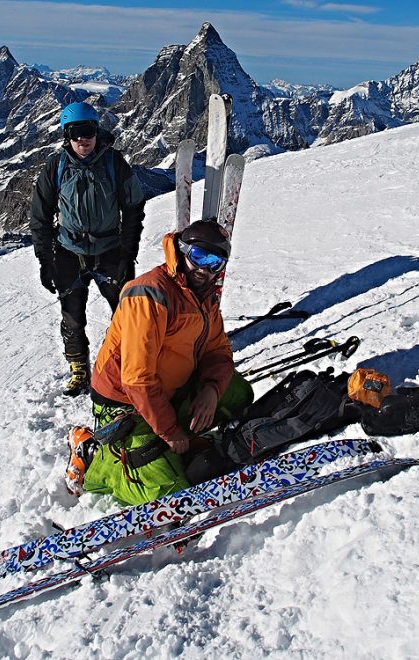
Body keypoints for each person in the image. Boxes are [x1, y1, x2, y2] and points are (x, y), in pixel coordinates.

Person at [65, 220, 254, 505]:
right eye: (200, 257)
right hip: (126, 405)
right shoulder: (149, 294)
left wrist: (211, 391)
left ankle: (174, 435)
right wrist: (170, 431)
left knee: (237, 394)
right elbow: (136, 380)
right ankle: (93, 457)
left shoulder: (205, 299)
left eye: (216, 262)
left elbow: (218, 352)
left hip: (169, 391)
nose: (206, 269)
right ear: (181, 251)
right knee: (170, 491)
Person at [30, 101, 146, 395]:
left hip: (110, 249)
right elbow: (40, 216)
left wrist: (127, 254)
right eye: (77, 132)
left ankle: (123, 365)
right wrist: (46, 260)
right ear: (66, 135)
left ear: (97, 131)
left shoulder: (114, 162)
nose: (84, 138)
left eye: (89, 130)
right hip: (69, 251)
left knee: (125, 313)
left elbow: (133, 208)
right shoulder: (55, 167)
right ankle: (79, 368)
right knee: (72, 315)